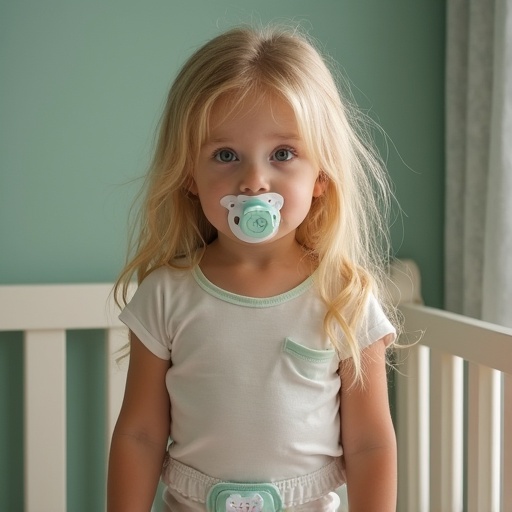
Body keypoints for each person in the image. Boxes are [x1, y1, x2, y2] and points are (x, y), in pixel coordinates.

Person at [107, 24, 398, 512]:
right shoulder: (166, 295)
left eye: (283, 154)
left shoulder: (343, 297)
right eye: (226, 155)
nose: (253, 181)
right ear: (190, 177)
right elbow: (138, 434)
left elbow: (371, 443)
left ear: (321, 175)